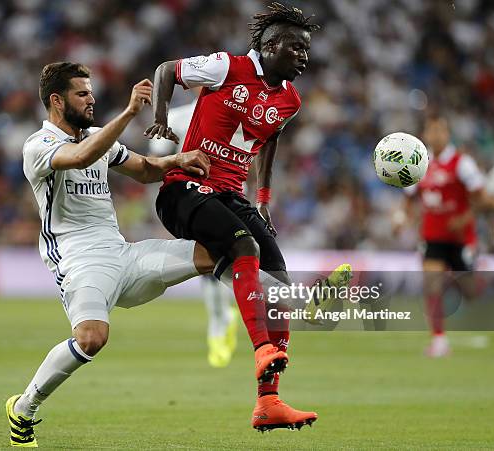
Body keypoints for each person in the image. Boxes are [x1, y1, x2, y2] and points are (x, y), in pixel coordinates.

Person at [145, 2, 351, 431]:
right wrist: (162, 120)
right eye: (296, 48)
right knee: (245, 246)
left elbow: (269, 137)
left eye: (307, 50)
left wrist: (263, 197)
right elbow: (167, 69)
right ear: (271, 45)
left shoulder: (290, 100)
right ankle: (260, 346)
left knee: (278, 281)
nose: (304, 57)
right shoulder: (226, 66)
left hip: (231, 195)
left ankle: (269, 402)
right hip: (184, 187)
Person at [5, 62, 216, 447]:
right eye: (81, 93)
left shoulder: (98, 137)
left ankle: (284, 319)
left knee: (214, 253)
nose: (91, 99)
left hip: (122, 254)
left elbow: (146, 169)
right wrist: (131, 112)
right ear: (56, 100)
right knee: (90, 338)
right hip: (79, 260)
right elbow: (82, 156)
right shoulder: (38, 146)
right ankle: (24, 407)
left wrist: (177, 160)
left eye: (91, 91)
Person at [396, 115, 494, 358]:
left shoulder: (462, 163)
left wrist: (465, 218)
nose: (435, 135)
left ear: (447, 134)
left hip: (460, 238)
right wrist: (402, 219)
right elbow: (408, 200)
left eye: (440, 130)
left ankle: (474, 278)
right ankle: (438, 340)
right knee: (431, 283)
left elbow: (481, 198)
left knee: (470, 292)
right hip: (433, 236)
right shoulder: (418, 164)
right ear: (425, 134)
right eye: (431, 130)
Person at [148, 88, 238, 368]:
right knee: (213, 260)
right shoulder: (178, 117)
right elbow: (157, 159)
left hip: (226, 194)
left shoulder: (233, 117)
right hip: (193, 198)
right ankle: (221, 320)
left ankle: (223, 319)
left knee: (222, 260)